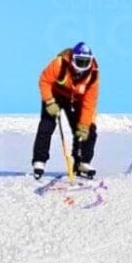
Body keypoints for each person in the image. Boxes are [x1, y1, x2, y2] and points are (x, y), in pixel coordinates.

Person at [31, 41, 99, 179]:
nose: (82, 66)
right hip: (54, 96)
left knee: (87, 130)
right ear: (73, 59)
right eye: (79, 61)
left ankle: (82, 162)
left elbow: (89, 102)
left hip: (75, 100)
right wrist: (49, 102)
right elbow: (44, 81)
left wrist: (84, 125)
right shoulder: (59, 64)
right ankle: (40, 160)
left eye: (85, 62)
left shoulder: (93, 75)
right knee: (46, 125)